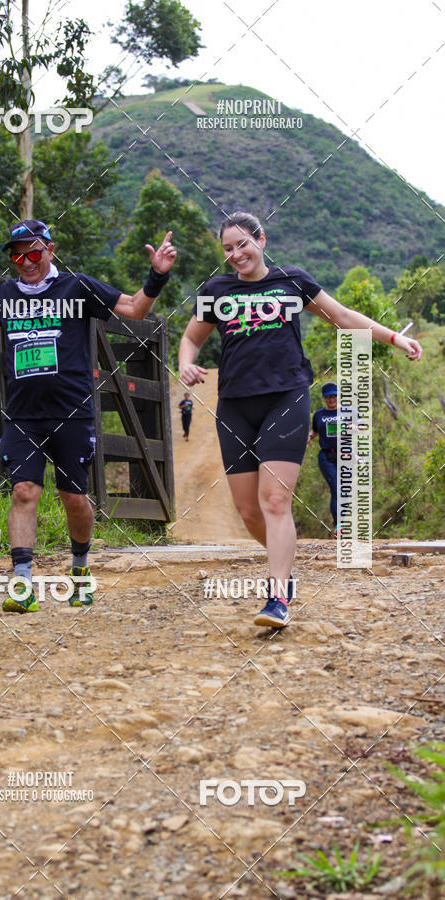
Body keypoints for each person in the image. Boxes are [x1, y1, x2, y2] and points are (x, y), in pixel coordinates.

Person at [0, 219, 176, 612]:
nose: (26, 261)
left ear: (50, 251)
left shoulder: (77, 287)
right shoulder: (5, 293)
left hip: (72, 414)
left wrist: (156, 275)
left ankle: (81, 570)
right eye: (18, 254)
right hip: (23, 416)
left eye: (34, 252)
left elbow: (135, 308)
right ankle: (21, 584)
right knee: (23, 492)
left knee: (73, 496)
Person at [178, 211, 422, 629]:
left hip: (285, 398)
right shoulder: (216, 290)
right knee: (248, 510)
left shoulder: (292, 281)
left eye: (243, 244)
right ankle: (285, 571)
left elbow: (343, 317)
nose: (237, 254)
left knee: (274, 500)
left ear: (261, 239)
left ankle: (276, 598)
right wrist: (186, 364)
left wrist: (395, 337)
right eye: (228, 249)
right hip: (235, 404)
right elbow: (191, 338)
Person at [308, 382, 341, 537]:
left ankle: (341, 524)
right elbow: (314, 431)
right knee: (336, 487)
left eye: (334, 395)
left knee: (343, 492)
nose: (331, 399)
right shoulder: (319, 414)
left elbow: (362, 427)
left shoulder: (347, 412)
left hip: (345, 456)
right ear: (324, 398)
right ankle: (338, 526)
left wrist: (350, 428)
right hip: (326, 457)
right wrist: (307, 438)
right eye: (328, 397)